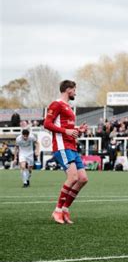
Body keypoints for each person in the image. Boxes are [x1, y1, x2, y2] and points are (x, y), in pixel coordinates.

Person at [44, 80, 89, 224]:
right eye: (74, 89)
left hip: (72, 147)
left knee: (82, 179)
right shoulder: (56, 104)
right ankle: (57, 211)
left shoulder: (68, 107)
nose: (76, 92)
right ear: (68, 89)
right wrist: (67, 131)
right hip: (62, 146)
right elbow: (47, 124)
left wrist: (78, 130)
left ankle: (65, 209)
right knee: (73, 177)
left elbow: (67, 128)